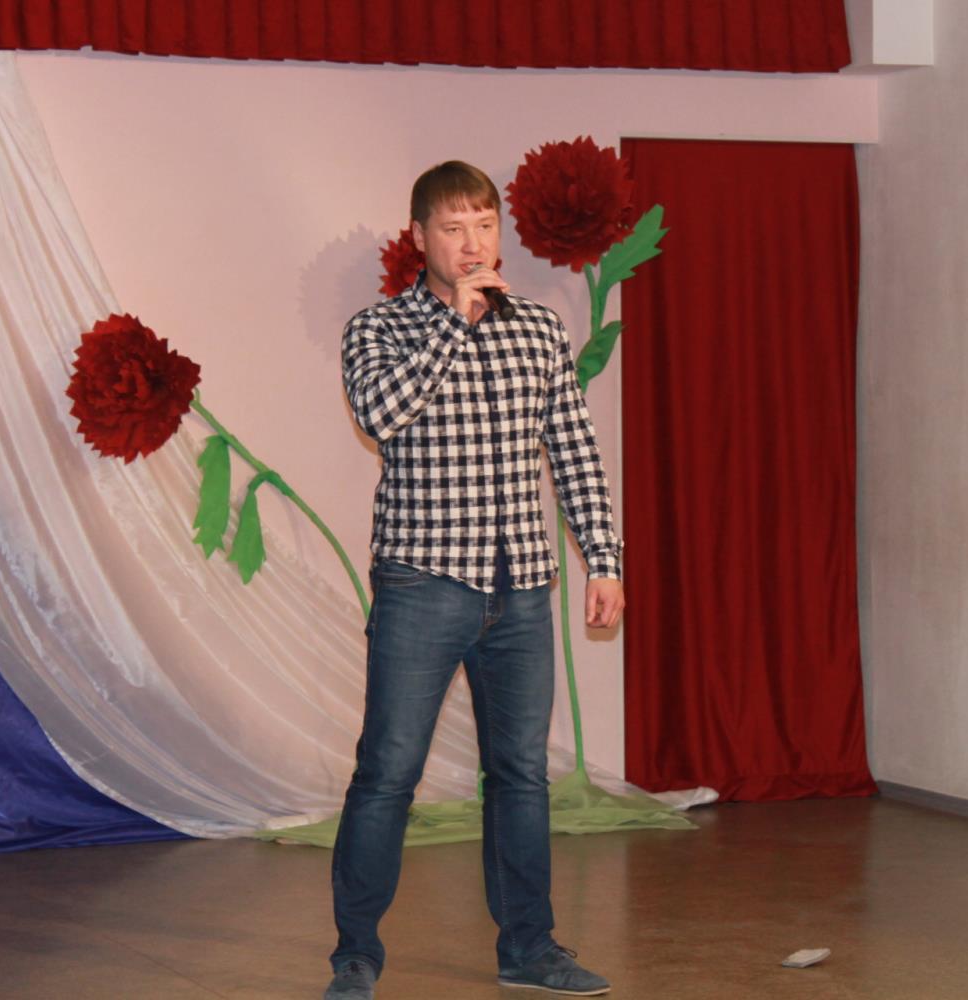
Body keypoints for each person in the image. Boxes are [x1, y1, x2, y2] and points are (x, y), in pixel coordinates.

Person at [325, 160, 625, 1000]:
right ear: (419, 236)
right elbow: (381, 417)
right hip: (423, 582)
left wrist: (603, 558)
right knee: (388, 770)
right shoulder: (380, 329)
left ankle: (529, 949)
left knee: (521, 775)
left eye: (484, 226)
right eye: (453, 229)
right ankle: (356, 955)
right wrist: (455, 324)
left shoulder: (538, 330)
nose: (472, 244)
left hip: (521, 587)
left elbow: (573, 449)